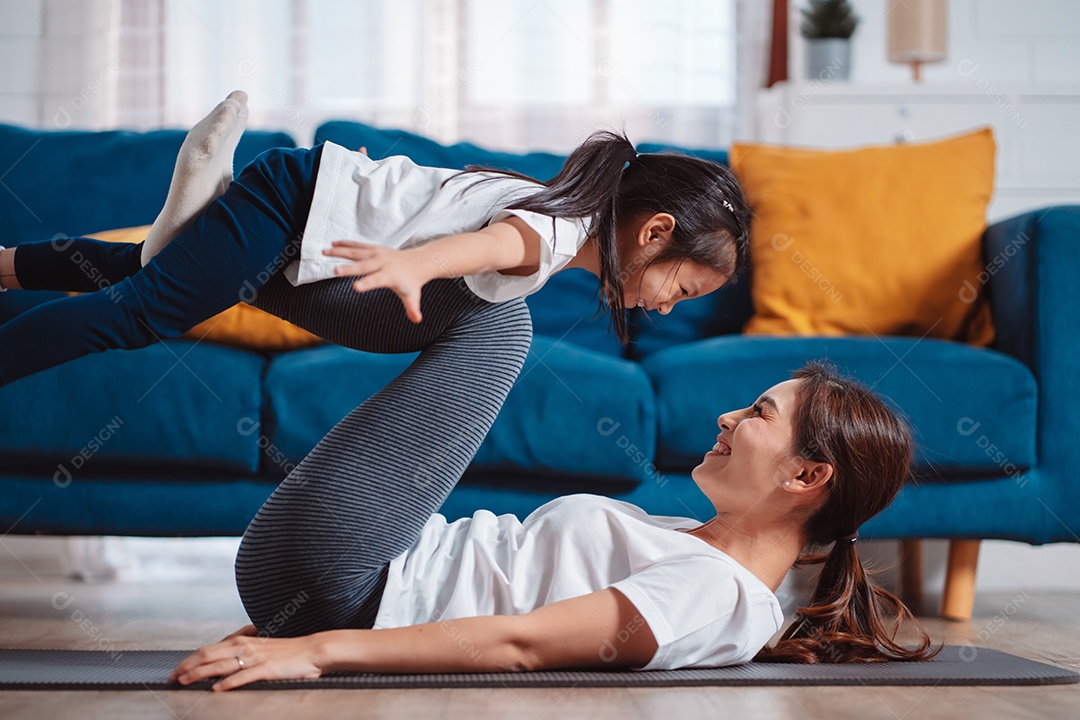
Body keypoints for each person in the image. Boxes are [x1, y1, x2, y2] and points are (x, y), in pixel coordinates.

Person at [162, 359, 943, 690]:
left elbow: (521, 642)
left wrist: (317, 651)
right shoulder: (691, 540)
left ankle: (215, 256)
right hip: (363, 559)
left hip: (355, 582)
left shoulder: (718, 595)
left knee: (496, 324)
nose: (728, 415)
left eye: (759, 414)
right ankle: (206, 257)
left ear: (807, 477)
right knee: (484, 317)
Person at [0, 90, 751, 387]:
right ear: (655, 232)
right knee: (141, 314)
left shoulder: (557, 211)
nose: (666, 309)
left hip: (298, 201)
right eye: (680, 289)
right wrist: (413, 266)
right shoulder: (552, 235)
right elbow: (490, 248)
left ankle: (8, 266)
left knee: (154, 270)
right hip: (293, 207)